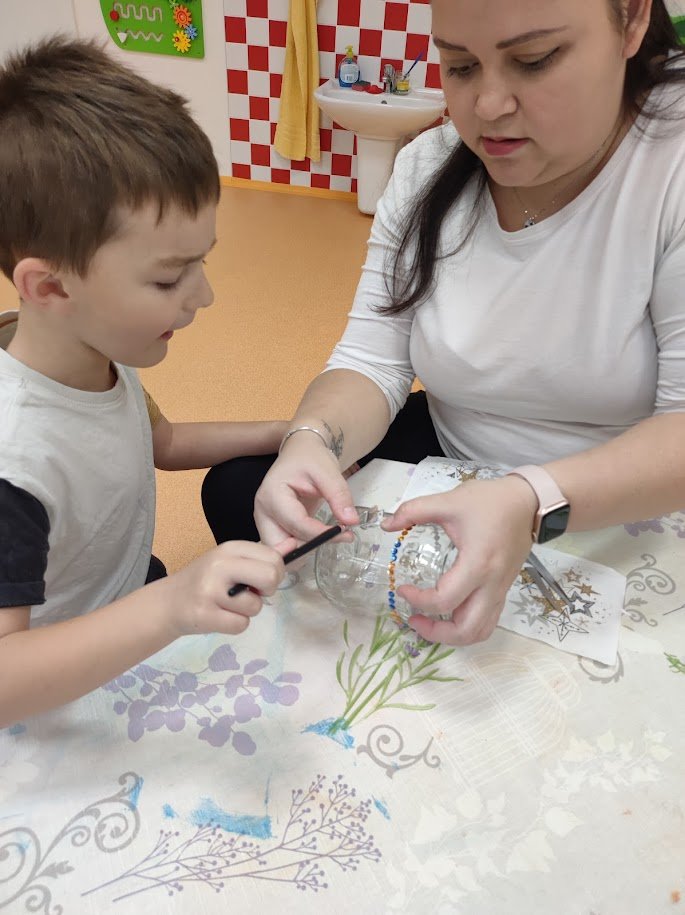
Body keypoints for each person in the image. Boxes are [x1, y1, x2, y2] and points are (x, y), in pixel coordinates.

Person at [203, 0, 685, 648]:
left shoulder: (669, 166)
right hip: (455, 456)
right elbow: (371, 359)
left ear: (631, 20)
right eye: (459, 66)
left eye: (534, 60)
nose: (487, 106)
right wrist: (312, 440)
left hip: (622, 495)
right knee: (244, 491)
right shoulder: (430, 164)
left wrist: (531, 498)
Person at [0, 37, 291, 728]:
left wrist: (288, 431)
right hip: (55, 697)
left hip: (122, 594)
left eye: (201, 263)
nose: (203, 296)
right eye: (168, 279)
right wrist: (168, 606)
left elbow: (160, 440)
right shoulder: (16, 460)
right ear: (50, 286)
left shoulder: (88, 347)